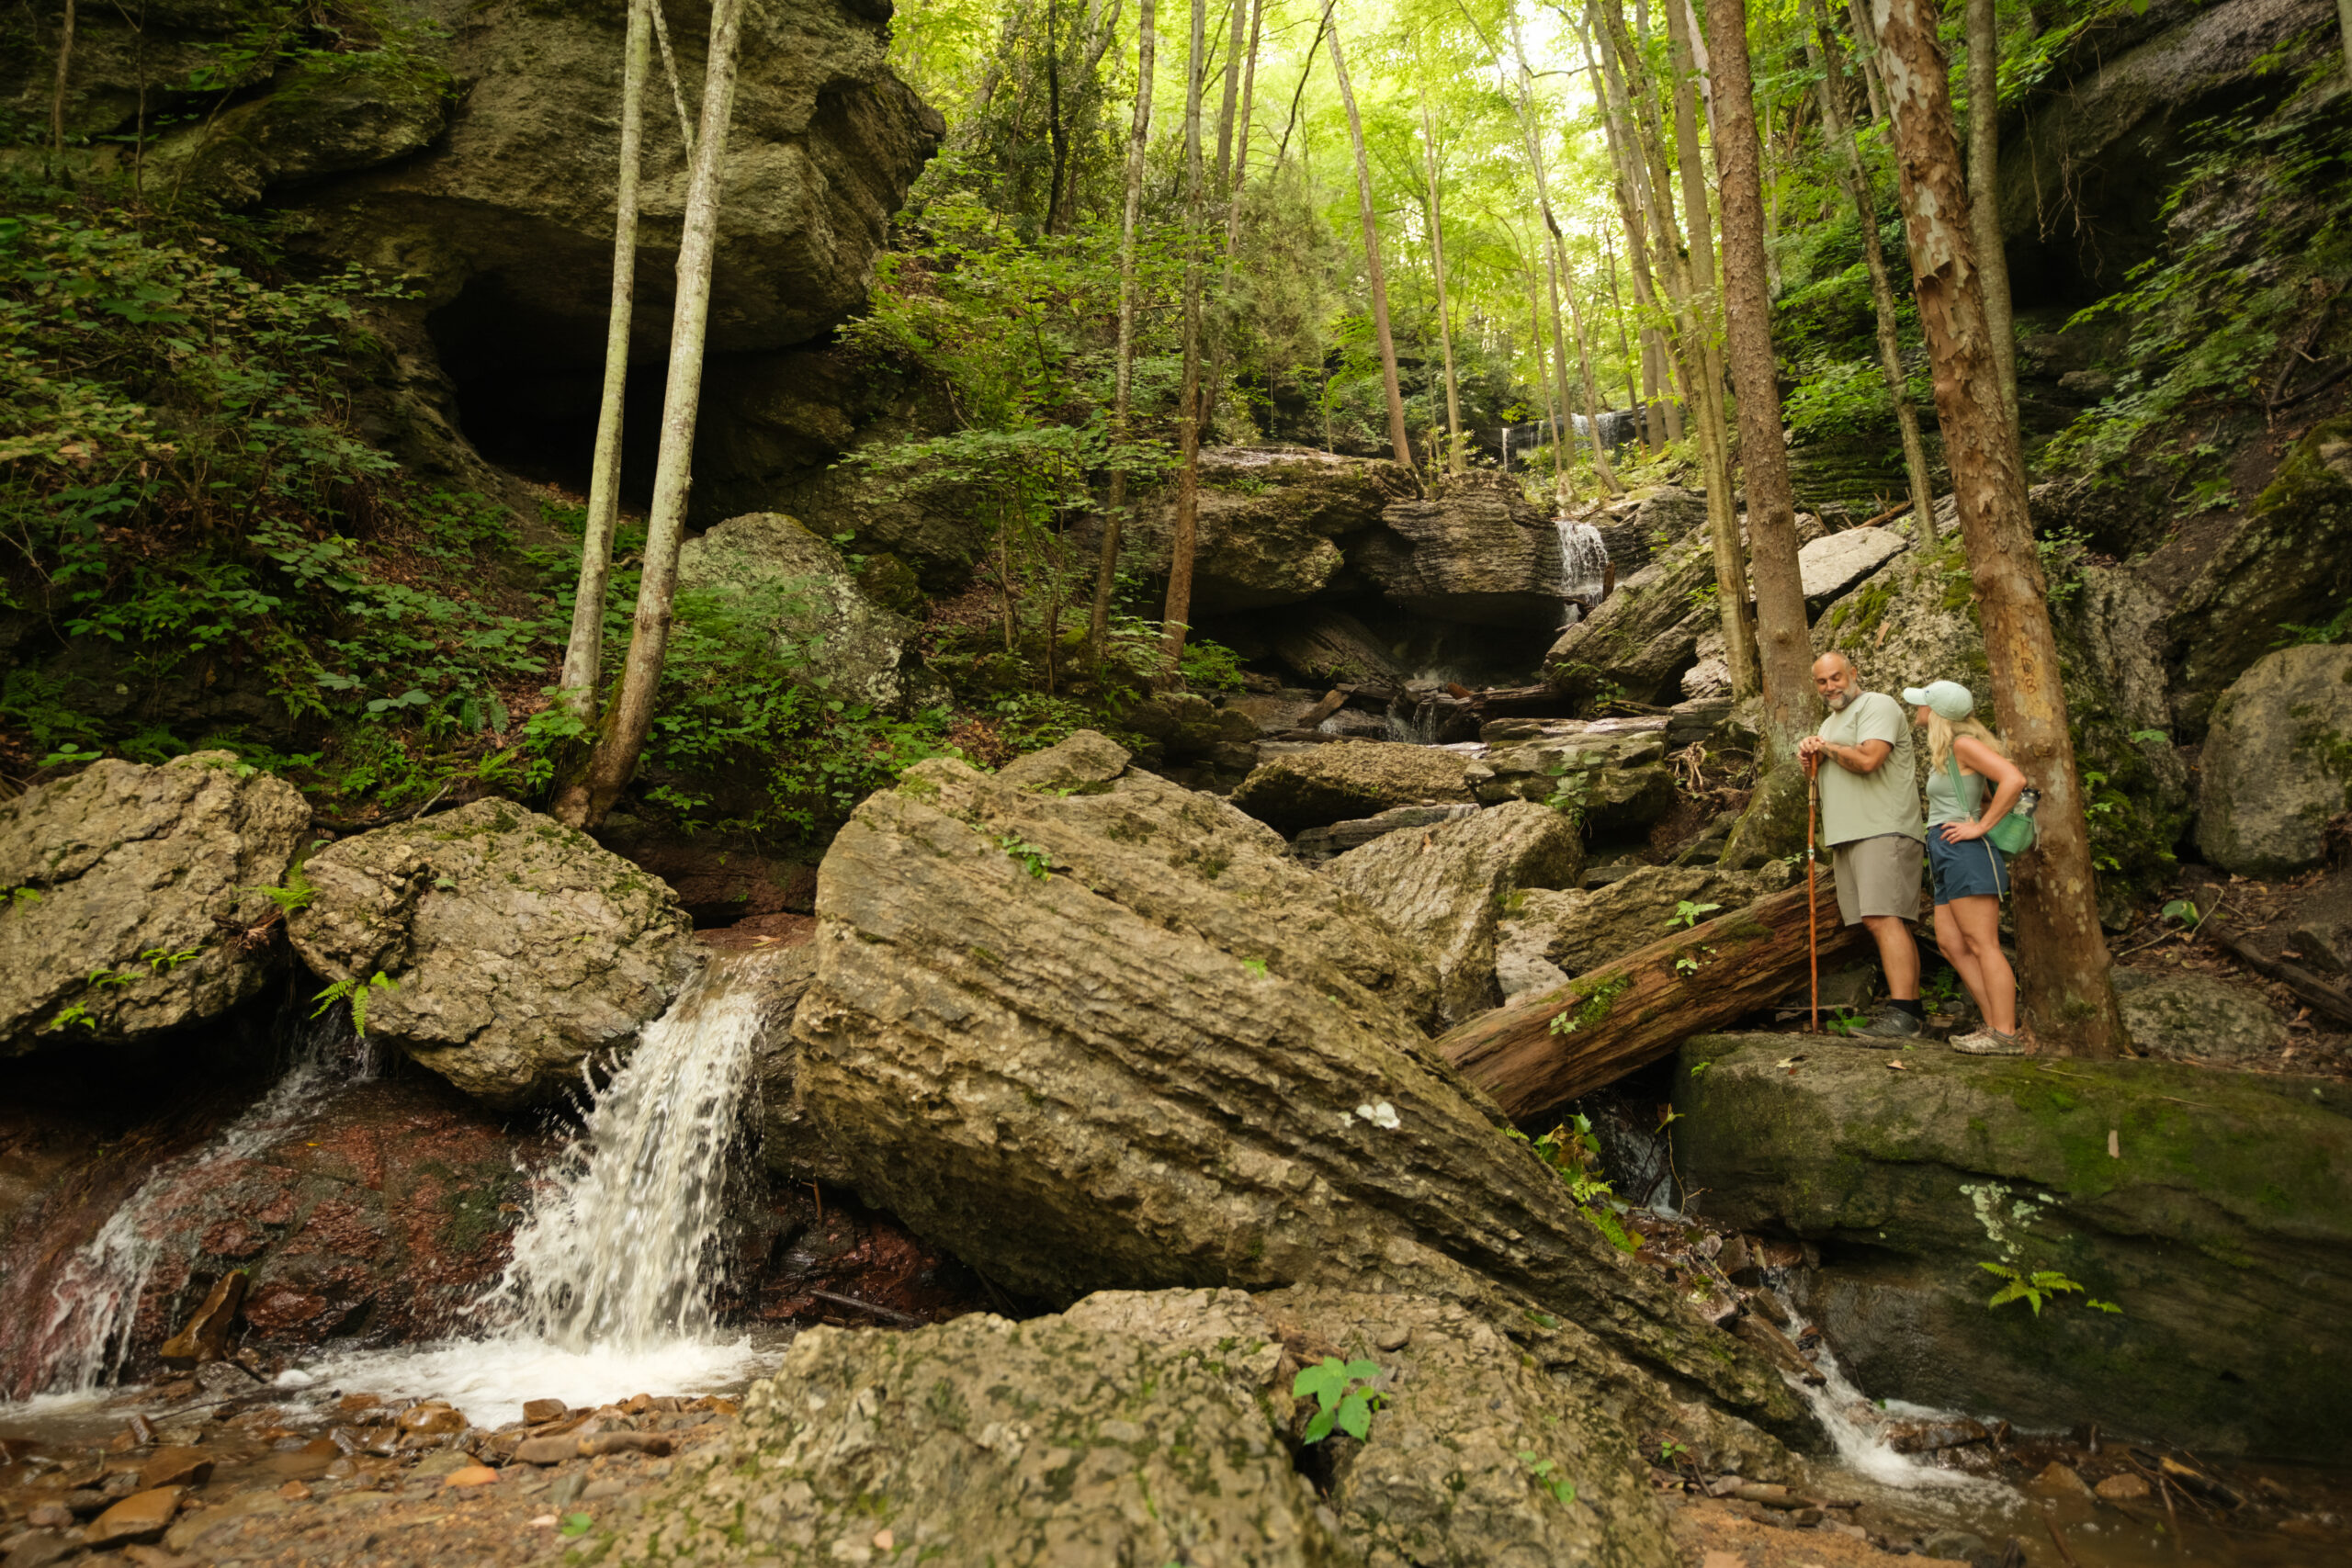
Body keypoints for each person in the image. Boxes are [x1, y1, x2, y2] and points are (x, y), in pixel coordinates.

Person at [1796, 652, 1925, 1037]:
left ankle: (1904, 1014)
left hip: (1883, 828)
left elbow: (1869, 759)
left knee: (1885, 917)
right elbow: (1823, 776)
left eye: (1836, 677)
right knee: (1878, 920)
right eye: (1822, 681)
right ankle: (1910, 1011)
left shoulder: (1877, 705)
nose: (1830, 686)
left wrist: (1826, 747)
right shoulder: (1830, 722)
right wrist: (1810, 758)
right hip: (1847, 833)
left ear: (1854, 673)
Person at [1906, 680, 2030, 1055]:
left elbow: (2015, 779)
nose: (1917, 709)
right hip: (1945, 849)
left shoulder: (1963, 744)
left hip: (1966, 852)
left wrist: (1980, 825)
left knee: (1982, 944)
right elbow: (1985, 790)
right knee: (1951, 943)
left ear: (1937, 714)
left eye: (1923, 703)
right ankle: (1993, 1025)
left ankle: (2005, 1034)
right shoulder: (1951, 749)